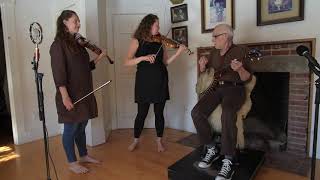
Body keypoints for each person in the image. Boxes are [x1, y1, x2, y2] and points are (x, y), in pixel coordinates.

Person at [191, 24, 252, 180]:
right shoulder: (214, 53)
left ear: (225, 36)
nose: (213, 40)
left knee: (228, 113)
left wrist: (239, 69)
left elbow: (247, 78)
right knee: (196, 112)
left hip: (235, 89)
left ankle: (229, 160)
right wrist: (202, 66)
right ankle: (211, 148)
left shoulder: (242, 51)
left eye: (215, 36)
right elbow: (207, 71)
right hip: (217, 89)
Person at [50, 10, 107, 174]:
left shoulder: (77, 44)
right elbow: (59, 74)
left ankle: (83, 155)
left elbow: (83, 68)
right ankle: (72, 162)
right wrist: (65, 97)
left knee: (82, 125)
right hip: (70, 95)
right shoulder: (58, 45)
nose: (79, 23)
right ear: (65, 23)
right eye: (75, 21)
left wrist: (99, 58)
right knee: (71, 128)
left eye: (78, 21)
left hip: (84, 92)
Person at [124, 14, 187, 152]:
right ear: (148, 25)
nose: (159, 27)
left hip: (160, 80)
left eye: (158, 25)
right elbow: (127, 61)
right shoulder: (137, 40)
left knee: (159, 113)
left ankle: (159, 141)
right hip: (144, 82)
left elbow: (165, 62)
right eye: (156, 25)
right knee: (142, 113)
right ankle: (135, 140)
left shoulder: (161, 41)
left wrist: (178, 53)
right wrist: (143, 58)